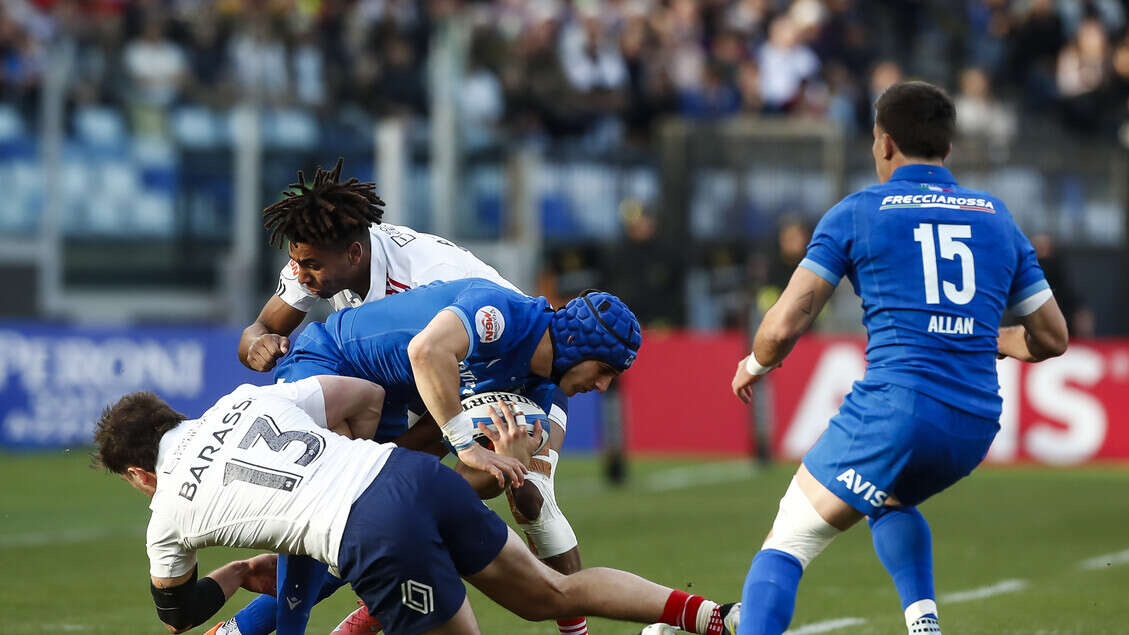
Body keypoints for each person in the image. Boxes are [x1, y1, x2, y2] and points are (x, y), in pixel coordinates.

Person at [730, 81, 1068, 635]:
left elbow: (784, 324)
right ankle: (923, 622)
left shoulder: (859, 212)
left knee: (789, 538)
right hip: (974, 425)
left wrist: (755, 365)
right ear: (948, 151)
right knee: (888, 498)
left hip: (898, 410)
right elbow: (1053, 337)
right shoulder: (997, 217)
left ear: (884, 144)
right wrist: (989, 338)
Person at [230, 159, 592, 635]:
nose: (301, 274)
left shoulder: (423, 278)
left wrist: (443, 450)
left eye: (310, 265)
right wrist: (257, 343)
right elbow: (257, 330)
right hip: (408, 375)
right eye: (298, 263)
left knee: (522, 498)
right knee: (359, 504)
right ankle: (265, 625)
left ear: (355, 255)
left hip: (510, 374)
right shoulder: (319, 256)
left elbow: (463, 381)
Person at [92, 377, 741, 635]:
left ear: (139, 473)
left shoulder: (166, 512)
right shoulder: (241, 398)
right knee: (551, 592)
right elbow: (360, 395)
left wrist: (233, 573)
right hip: (405, 473)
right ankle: (712, 617)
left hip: (372, 533)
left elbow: (176, 611)